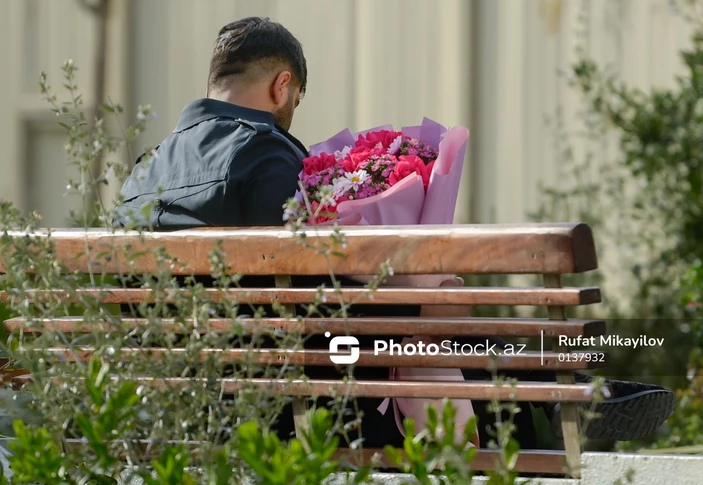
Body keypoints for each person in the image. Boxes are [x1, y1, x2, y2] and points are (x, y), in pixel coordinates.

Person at [114, 17, 674, 449]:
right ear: (283, 86)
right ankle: (563, 395)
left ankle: (562, 392)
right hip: (294, 398)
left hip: (185, 397)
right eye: (296, 102)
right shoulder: (266, 155)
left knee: (435, 331)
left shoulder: (142, 172)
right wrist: (413, 301)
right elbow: (314, 297)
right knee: (436, 331)